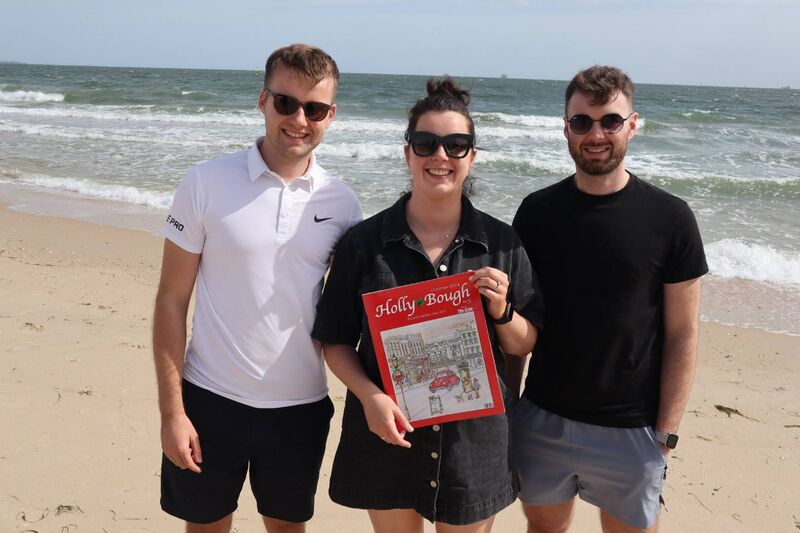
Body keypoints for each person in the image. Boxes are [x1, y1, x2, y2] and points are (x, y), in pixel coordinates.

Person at [311, 78, 544, 533]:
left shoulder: (502, 243)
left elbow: (525, 343)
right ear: (407, 153)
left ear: (472, 156)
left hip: (474, 445)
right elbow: (334, 339)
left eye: (457, 145)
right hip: (388, 435)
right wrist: (370, 396)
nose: (441, 156)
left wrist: (502, 311)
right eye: (426, 143)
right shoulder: (365, 243)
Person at [152, 43, 362, 533]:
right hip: (208, 401)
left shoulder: (344, 202)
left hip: (300, 408)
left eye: (314, 109)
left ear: (331, 115)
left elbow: (359, 307)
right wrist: (172, 413)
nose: (299, 120)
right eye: (286, 103)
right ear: (263, 100)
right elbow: (170, 300)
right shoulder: (205, 182)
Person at [510, 65, 708, 533]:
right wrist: (508, 408)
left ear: (632, 124)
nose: (595, 134)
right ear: (566, 128)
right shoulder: (536, 212)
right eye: (582, 122)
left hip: (632, 429)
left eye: (609, 121)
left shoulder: (672, 218)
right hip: (542, 417)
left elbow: (683, 334)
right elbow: (517, 321)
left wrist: (665, 433)